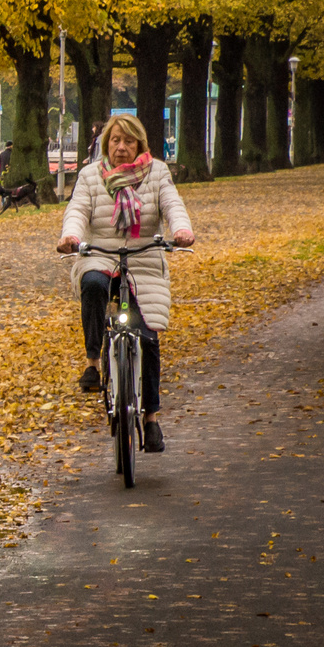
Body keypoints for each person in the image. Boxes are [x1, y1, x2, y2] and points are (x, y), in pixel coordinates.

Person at [56, 113, 195, 453]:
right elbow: (77, 210)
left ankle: (150, 419)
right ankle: (93, 360)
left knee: (148, 339)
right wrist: (71, 237)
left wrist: (181, 231)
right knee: (91, 283)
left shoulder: (157, 173)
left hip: (143, 258)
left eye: (128, 141)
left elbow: (172, 204)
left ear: (139, 144)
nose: (121, 147)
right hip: (101, 252)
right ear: (106, 144)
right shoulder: (91, 176)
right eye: (115, 140)